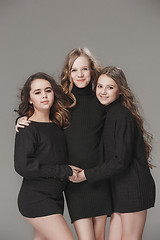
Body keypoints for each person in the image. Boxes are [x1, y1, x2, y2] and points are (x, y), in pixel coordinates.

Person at [16, 48, 112, 240]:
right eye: (74, 70)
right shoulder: (61, 104)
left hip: (91, 180)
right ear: (68, 73)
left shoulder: (96, 101)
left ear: (92, 71)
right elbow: (38, 120)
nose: (80, 74)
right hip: (64, 185)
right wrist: (20, 120)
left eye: (84, 69)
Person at [70, 66, 156, 240]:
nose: (103, 92)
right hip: (118, 190)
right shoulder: (108, 112)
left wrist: (86, 174)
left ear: (120, 90)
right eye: (100, 86)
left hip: (133, 189)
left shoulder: (122, 116)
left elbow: (120, 161)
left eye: (110, 87)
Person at [14, 72, 75, 240]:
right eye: (37, 92)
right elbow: (22, 166)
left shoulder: (57, 126)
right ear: (29, 99)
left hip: (55, 198)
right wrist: (64, 171)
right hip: (36, 199)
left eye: (48, 90)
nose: (44, 96)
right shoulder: (26, 127)